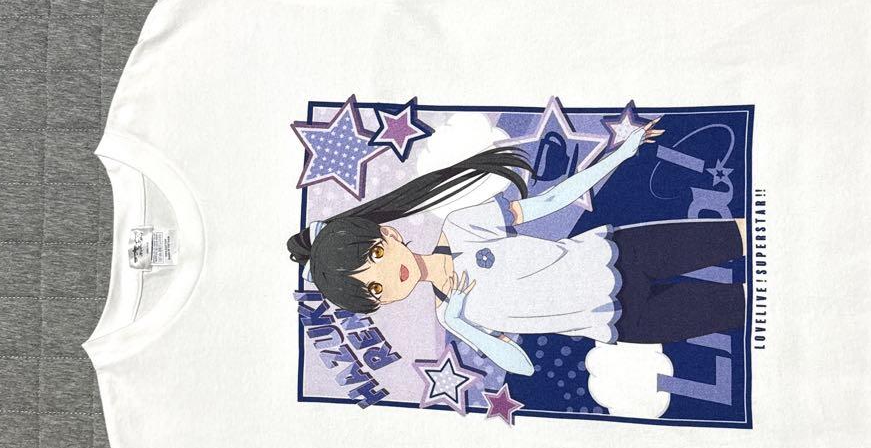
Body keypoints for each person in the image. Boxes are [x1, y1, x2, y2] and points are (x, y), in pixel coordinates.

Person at [288, 117, 746, 377]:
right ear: (381, 303)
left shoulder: (462, 225)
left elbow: (549, 202)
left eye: (374, 257)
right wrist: (460, 323)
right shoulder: (454, 316)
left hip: (622, 253)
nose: (388, 277)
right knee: (747, 308)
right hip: (622, 321)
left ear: (387, 235)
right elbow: (523, 367)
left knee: (748, 235)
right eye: (374, 289)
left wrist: (621, 154)